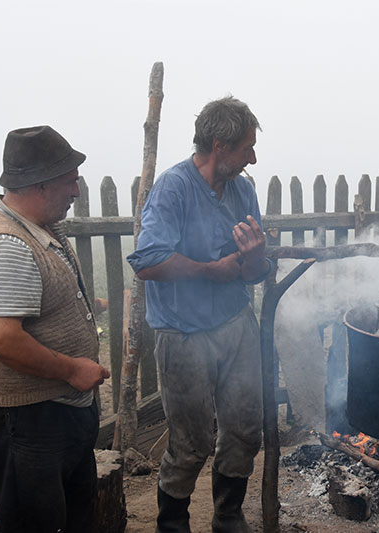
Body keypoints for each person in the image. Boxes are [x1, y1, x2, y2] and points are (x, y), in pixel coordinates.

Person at [0, 125, 111, 532]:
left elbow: (30, 299)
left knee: (71, 512)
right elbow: (1, 337)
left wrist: (83, 308)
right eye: (69, 180)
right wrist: (73, 370)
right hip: (29, 416)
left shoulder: (35, 228)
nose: (76, 190)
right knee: (35, 522)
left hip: (51, 412)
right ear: (40, 185)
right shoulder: (7, 245)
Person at [127, 96, 271, 533]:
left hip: (235, 326)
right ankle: (172, 525)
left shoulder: (242, 190)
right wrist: (211, 271)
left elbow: (255, 271)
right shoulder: (173, 188)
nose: (253, 157)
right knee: (191, 444)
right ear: (218, 145)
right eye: (247, 147)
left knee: (245, 429)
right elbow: (147, 260)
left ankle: (228, 517)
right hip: (182, 334)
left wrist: (254, 259)